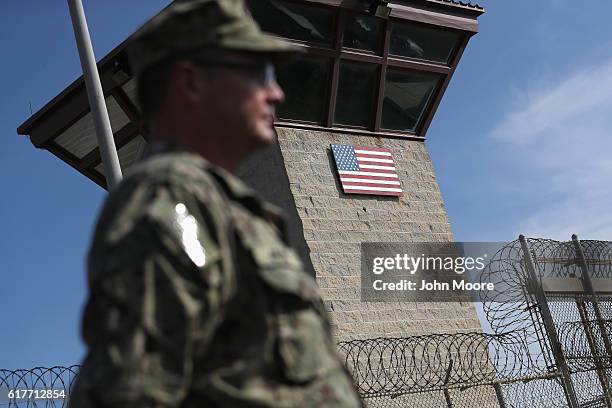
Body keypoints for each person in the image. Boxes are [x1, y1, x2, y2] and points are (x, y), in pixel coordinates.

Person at [68, 0, 362, 407]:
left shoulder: (228, 208)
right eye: (257, 73)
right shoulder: (169, 202)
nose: (275, 92)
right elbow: (132, 392)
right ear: (192, 82)